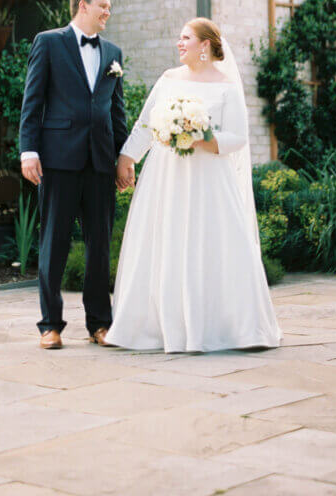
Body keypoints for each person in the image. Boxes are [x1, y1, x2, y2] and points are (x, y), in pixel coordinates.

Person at [106, 17, 281, 352]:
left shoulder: (227, 86)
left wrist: (203, 137)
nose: (179, 42)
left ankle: (223, 326)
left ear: (205, 45)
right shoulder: (169, 79)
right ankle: (160, 325)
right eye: (179, 36)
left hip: (210, 178)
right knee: (166, 240)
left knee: (212, 243)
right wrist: (127, 159)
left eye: (186, 37)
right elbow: (145, 124)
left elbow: (239, 136)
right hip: (167, 176)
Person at [20, 0, 128, 349]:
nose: (107, 13)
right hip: (59, 159)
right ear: (83, 6)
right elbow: (32, 100)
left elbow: (117, 111)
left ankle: (100, 323)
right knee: (54, 244)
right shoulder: (48, 42)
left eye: (109, 7)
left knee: (99, 246)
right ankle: (50, 325)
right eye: (102, 6)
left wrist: (122, 158)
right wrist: (28, 151)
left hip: (100, 162)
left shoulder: (113, 52)